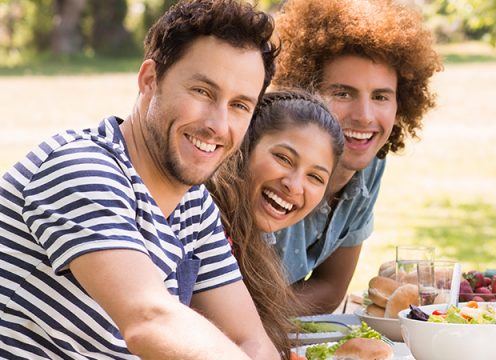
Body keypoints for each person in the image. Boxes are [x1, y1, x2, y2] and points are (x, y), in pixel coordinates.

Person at [0, 0, 279, 358]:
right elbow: (149, 320)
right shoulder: (81, 168)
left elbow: (251, 341)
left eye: (240, 105)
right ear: (149, 80)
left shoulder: (195, 205)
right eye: (202, 92)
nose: (218, 124)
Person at [271, 0, 443, 314]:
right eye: (343, 93)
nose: (364, 117)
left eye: (380, 97)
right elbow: (220, 296)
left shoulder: (369, 163)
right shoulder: (268, 163)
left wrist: (267, 311)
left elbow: (331, 288)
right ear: (303, 91)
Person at [207, 89, 344, 353]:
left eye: (315, 177)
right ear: (245, 146)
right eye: (283, 158)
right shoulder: (207, 225)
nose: (294, 186)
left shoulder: (251, 241)